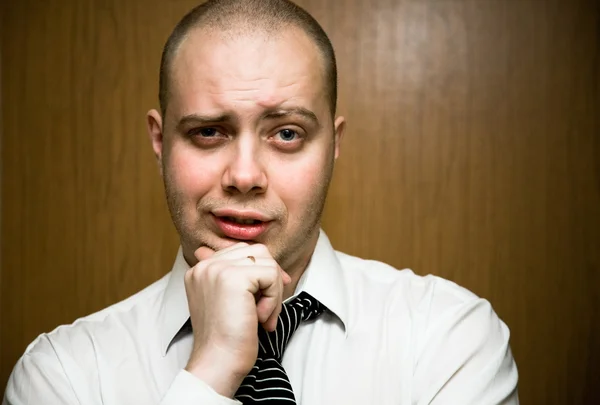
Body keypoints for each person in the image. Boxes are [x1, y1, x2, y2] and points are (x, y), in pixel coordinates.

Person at [3, 0, 519, 404]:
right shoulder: (61, 376)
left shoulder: (448, 339)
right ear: (159, 142)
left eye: (288, 134)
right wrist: (210, 373)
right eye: (208, 131)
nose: (245, 175)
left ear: (333, 146)